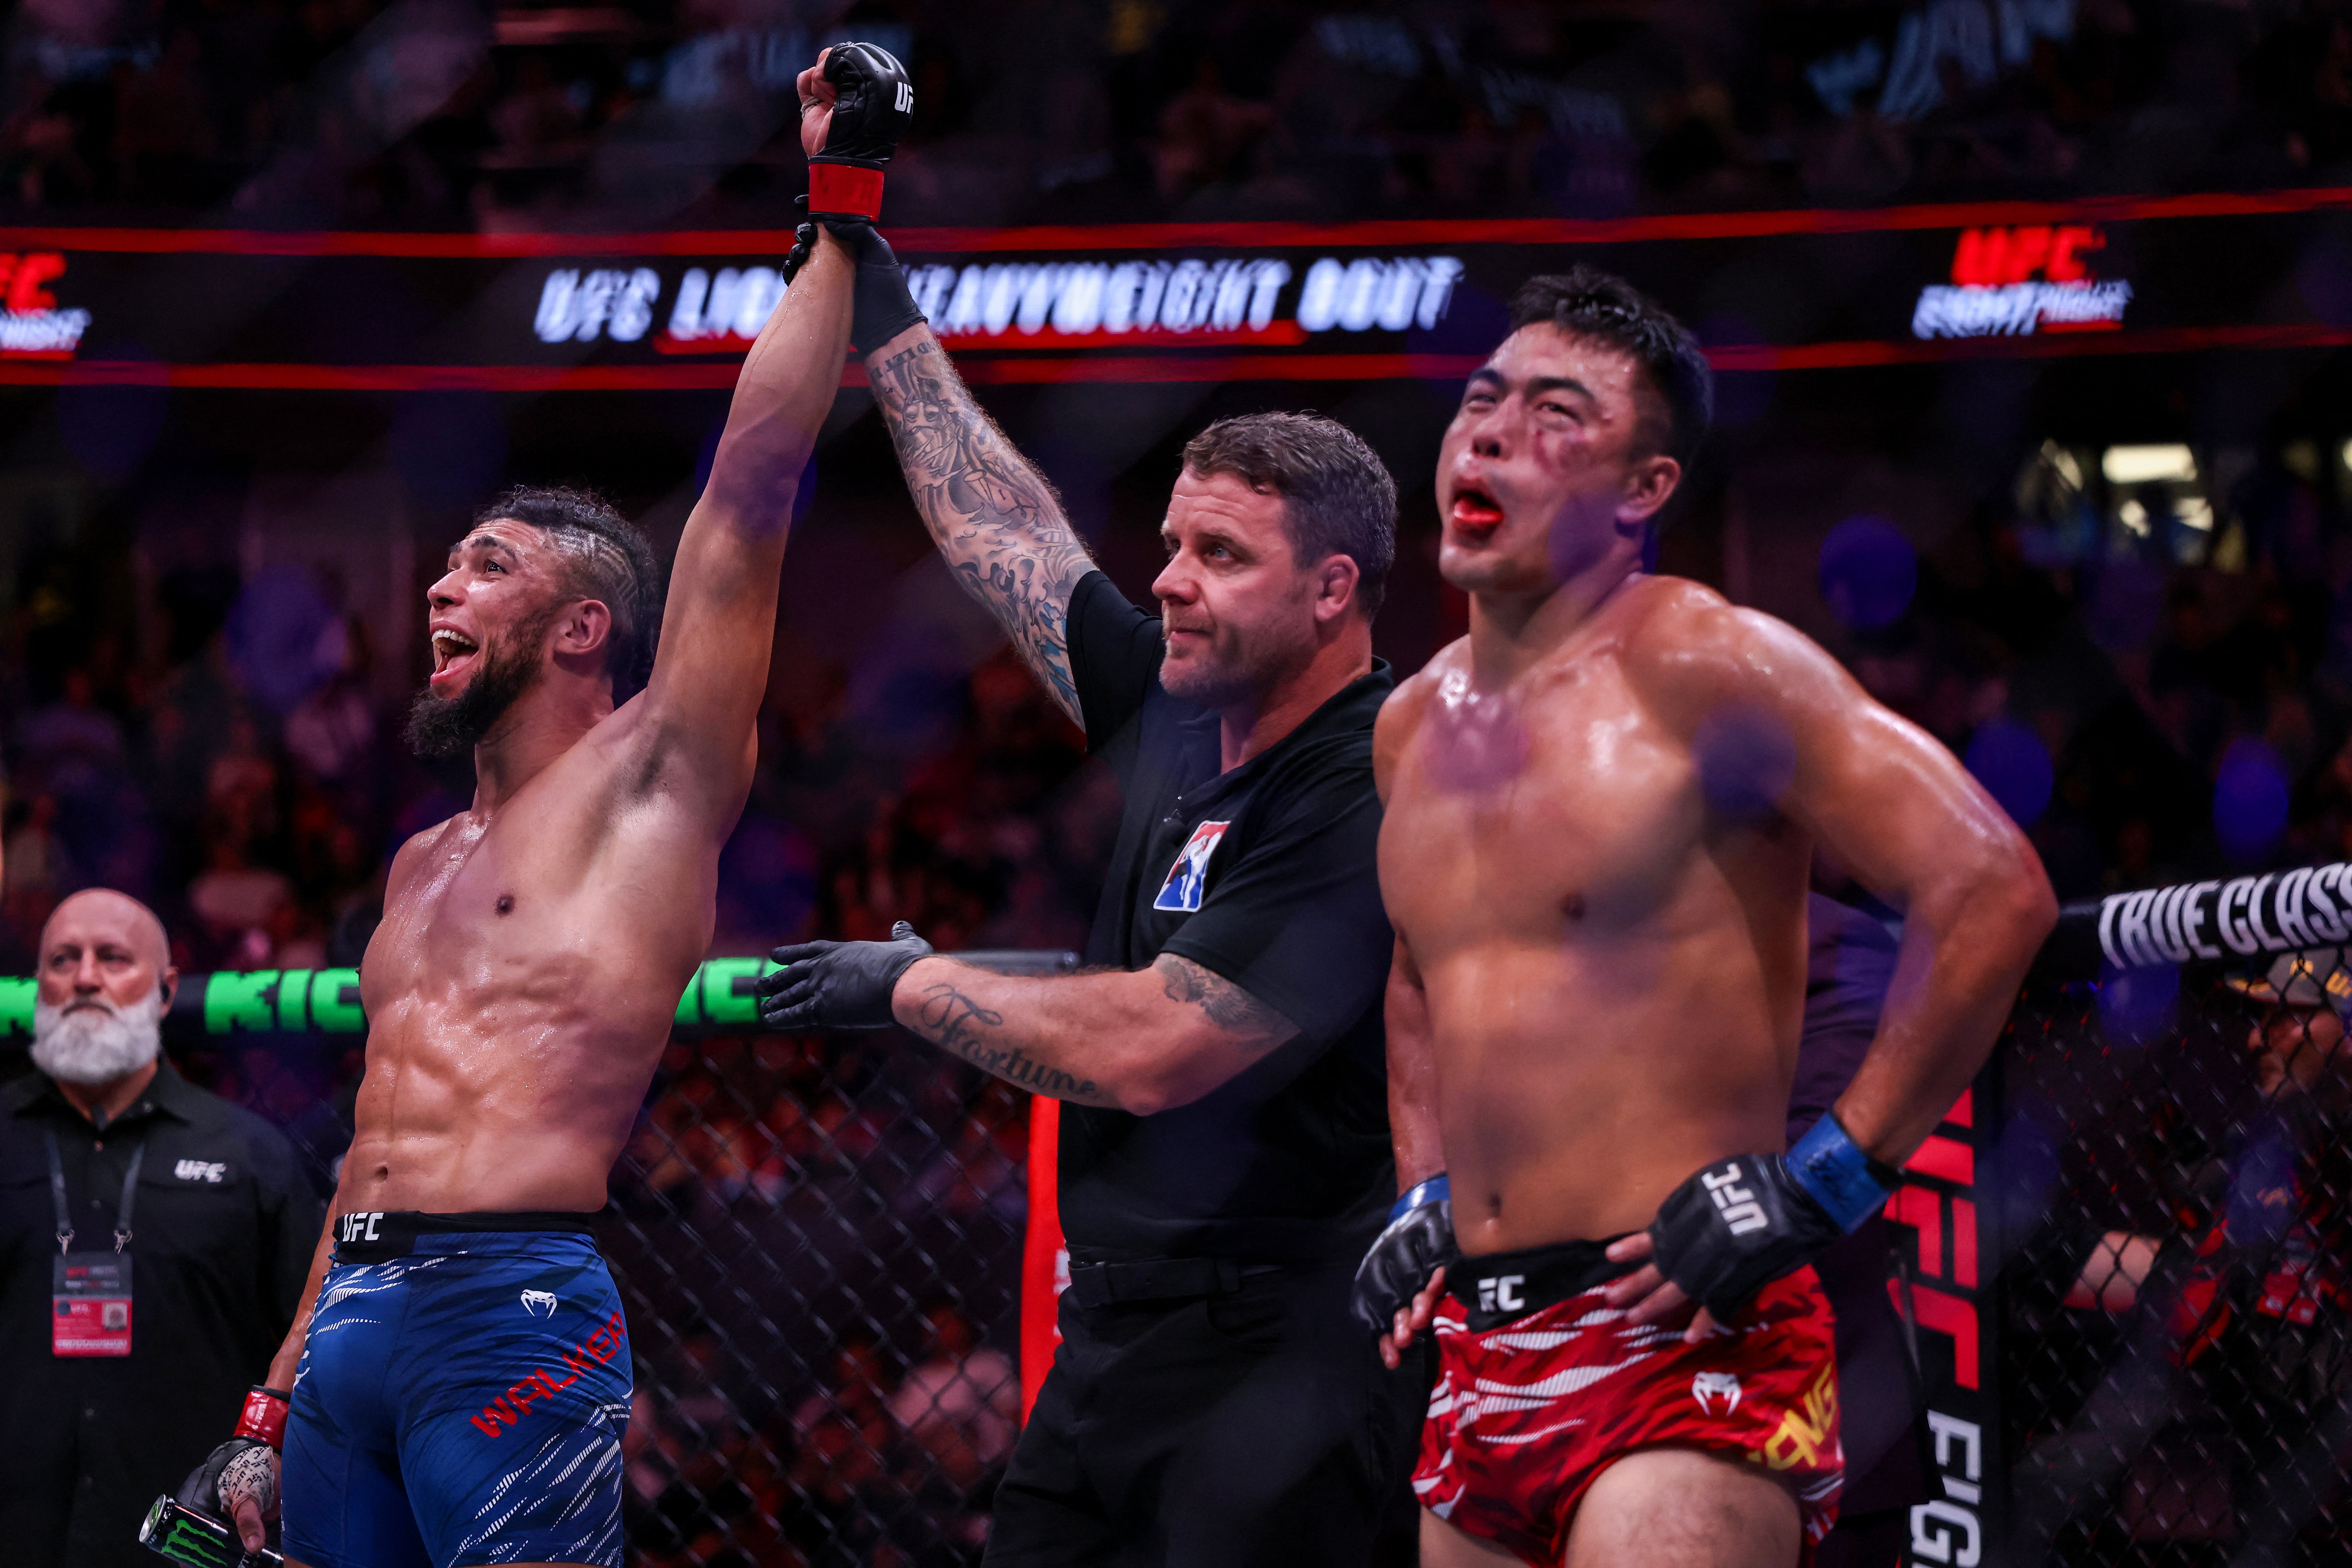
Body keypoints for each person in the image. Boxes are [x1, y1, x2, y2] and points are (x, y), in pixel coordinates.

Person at [165, 44, 889, 1568]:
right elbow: (370, 1153)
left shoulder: (652, 779)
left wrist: (836, 204)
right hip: (349, 1319)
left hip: (513, 1307)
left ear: (582, 630)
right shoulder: (422, 860)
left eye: (490, 563)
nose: (442, 579)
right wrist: (265, 1401)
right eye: (449, 560)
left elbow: (753, 483)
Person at [1361, 266, 2056, 1567]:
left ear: (1643, 492)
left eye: (1557, 414)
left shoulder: (1703, 664)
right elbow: (1417, 977)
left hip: (1686, 1342)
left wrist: (1820, 1182)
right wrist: (1423, 1192)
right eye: (1481, 398)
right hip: (1485, 1351)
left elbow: (1988, 889)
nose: (1494, 432)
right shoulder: (1410, 729)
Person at [754, 225, 1422, 1561]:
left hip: (1279, 1356)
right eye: (1172, 544)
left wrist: (912, 981)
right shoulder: (1190, 708)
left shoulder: (1372, 778)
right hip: (1110, 1343)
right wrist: (889, 324)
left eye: (1219, 556)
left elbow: (1162, 1048)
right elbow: (1005, 529)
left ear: (1332, 589)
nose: (1167, 582)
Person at [0, 888, 321, 1568]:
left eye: (113, 958)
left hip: (184, 1543)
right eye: (63, 960)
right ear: (38, 989)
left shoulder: (250, 1155)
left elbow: (313, 1343)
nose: (86, 977)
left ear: (168, 990)